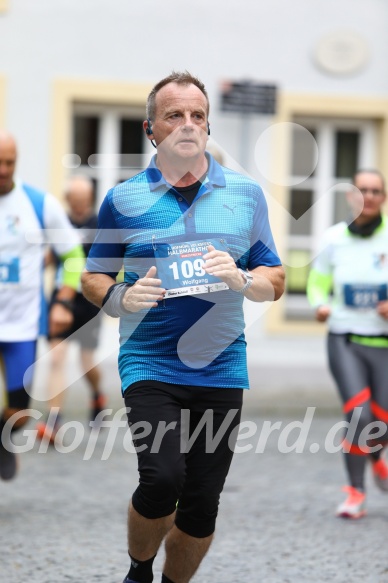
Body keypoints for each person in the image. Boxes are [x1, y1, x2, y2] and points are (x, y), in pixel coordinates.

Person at [82, 71, 285, 583]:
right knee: (161, 478)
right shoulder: (124, 200)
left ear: (209, 126)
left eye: (198, 115)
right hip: (149, 359)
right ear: (152, 128)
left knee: (201, 502)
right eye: (175, 115)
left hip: (221, 365)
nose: (188, 125)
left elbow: (274, 277)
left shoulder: (245, 195)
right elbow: (93, 275)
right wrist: (118, 297)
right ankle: (139, 570)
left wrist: (242, 278)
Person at [0, 130, 84, 480]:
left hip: (20, 326)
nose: (4, 169)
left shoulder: (38, 204)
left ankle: (2, 442)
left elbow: (74, 255)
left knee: (20, 413)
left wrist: (64, 299)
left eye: (10, 162)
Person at [307, 169, 388, 519]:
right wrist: (320, 304)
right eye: (362, 190)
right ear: (351, 196)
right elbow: (316, 280)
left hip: (383, 341)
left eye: (375, 191)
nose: (368, 196)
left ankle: (375, 460)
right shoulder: (333, 238)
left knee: (381, 421)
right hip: (344, 338)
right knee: (359, 415)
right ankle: (355, 493)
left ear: (383, 197)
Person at [36, 175, 106, 444]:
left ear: (89, 199)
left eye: (83, 201)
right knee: (56, 357)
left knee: (86, 363)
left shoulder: (100, 223)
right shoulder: (58, 222)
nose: (78, 207)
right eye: (74, 201)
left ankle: (97, 393)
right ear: (67, 200)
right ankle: (53, 422)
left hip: (89, 299)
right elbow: (49, 256)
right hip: (60, 298)